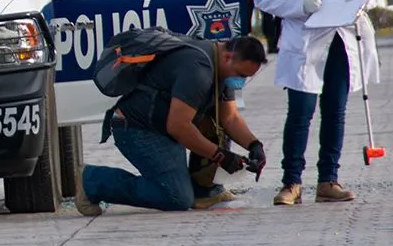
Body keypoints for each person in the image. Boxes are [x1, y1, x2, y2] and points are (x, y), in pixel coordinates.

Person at [255, 0, 381, 205]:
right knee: (300, 111)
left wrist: (357, 2)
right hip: (305, 40)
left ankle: (328, 180)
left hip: (342, 36)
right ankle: (291, 183)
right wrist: (299, 5)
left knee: (335, 111)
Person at [74, 35, 269, 215]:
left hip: (162, 129)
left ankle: (203, 190)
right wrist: (222, 157)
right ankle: (92, 180)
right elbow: (178, 127)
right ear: (228, 57)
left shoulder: (221, 66)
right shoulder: (198, 70)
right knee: (176, 197)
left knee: (215, 123)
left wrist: (254, 146)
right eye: (240, 75)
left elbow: (229, 118)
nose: (240, 81)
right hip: (136, 129)